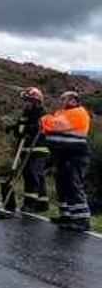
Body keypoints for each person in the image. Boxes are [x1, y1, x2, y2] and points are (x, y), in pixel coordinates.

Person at [41, 91, 92, 232]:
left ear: (74, 101)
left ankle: (82, 220)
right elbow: (51, 125)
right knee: (62, 184)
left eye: (64, 99)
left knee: (74, 185)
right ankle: (66, 216)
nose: (60, 101)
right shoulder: (62, 112)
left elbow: (53, 125)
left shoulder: (78, 113)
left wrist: (45, 119)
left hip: (76, 156)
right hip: (64, 155)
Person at [6, 87, 50, 213]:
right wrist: (13, 128)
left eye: (29, 101)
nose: (26, 103)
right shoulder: (26, 114)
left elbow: (41, 128)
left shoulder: (42, 114)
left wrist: (30, 129)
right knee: (36, 175)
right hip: (26, 149)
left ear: (36, 101)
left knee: (32, 173)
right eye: (25, 100)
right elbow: (20, 130)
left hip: (39, 149)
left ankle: (30, 204)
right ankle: (42, 204)